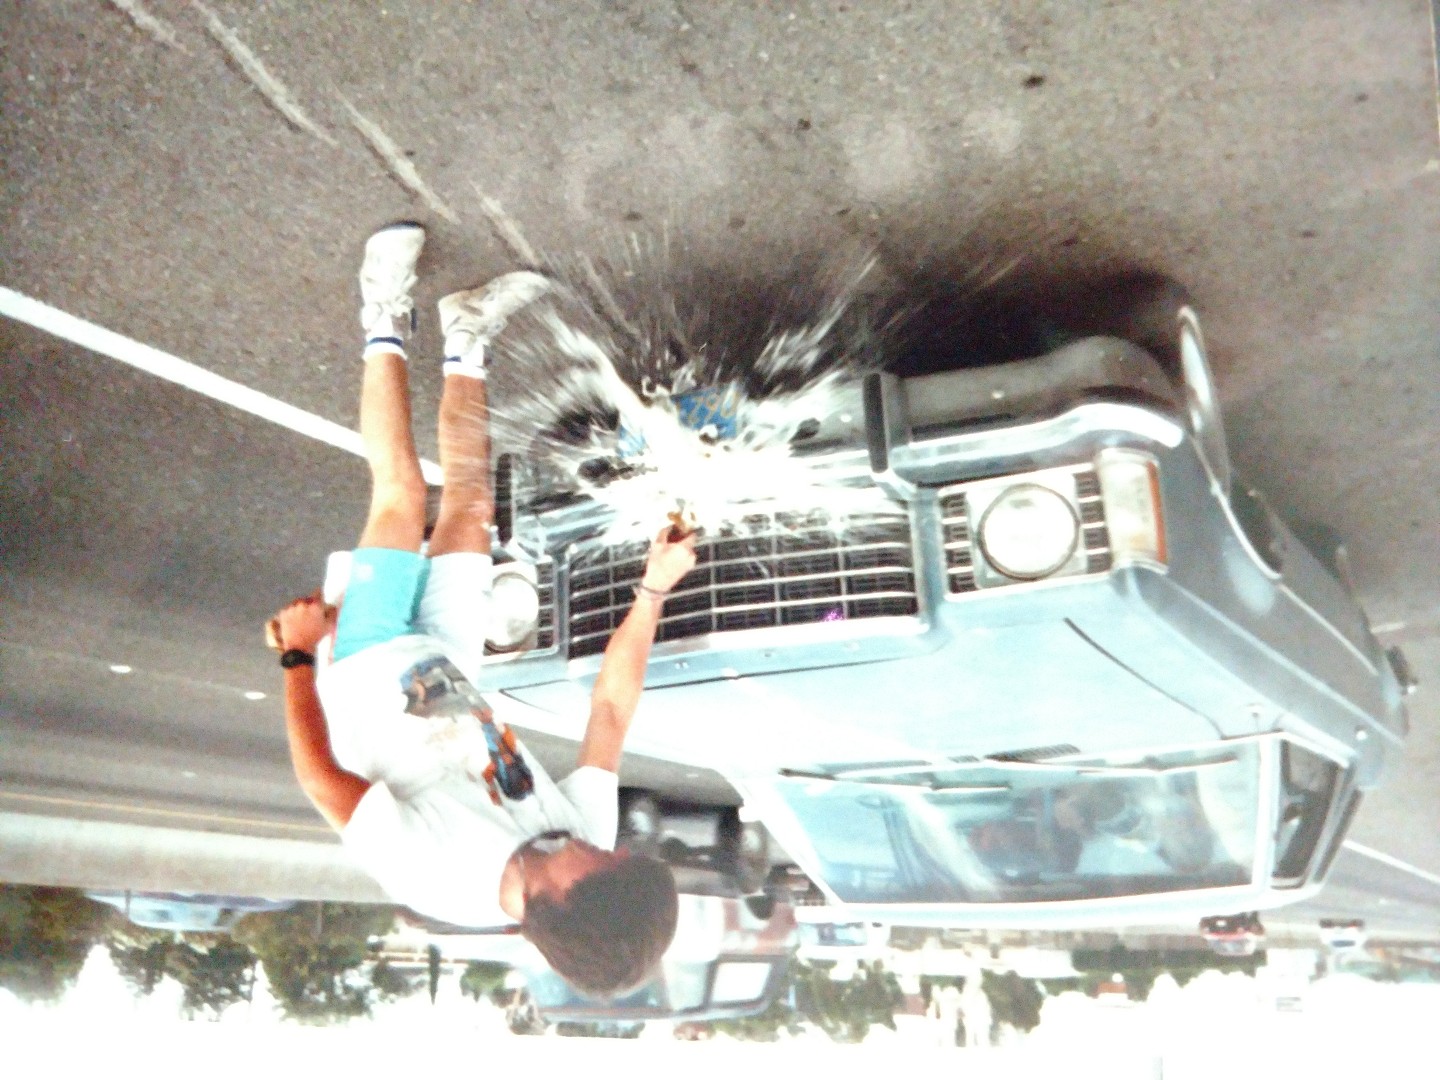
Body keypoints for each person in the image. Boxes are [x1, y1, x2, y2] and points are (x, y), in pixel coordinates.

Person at [265, 222, 697, 996]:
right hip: (449, 667)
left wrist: (298, 656)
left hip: (370, 665)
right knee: (470, 504)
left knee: (401, 494)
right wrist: (654, 587)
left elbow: (323, 783)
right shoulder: (585, 839)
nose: (609, 846)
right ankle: (466, 334)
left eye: (603, 864)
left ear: (557, 900)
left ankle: (382, 307)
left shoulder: (438, 878)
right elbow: (610, 710)